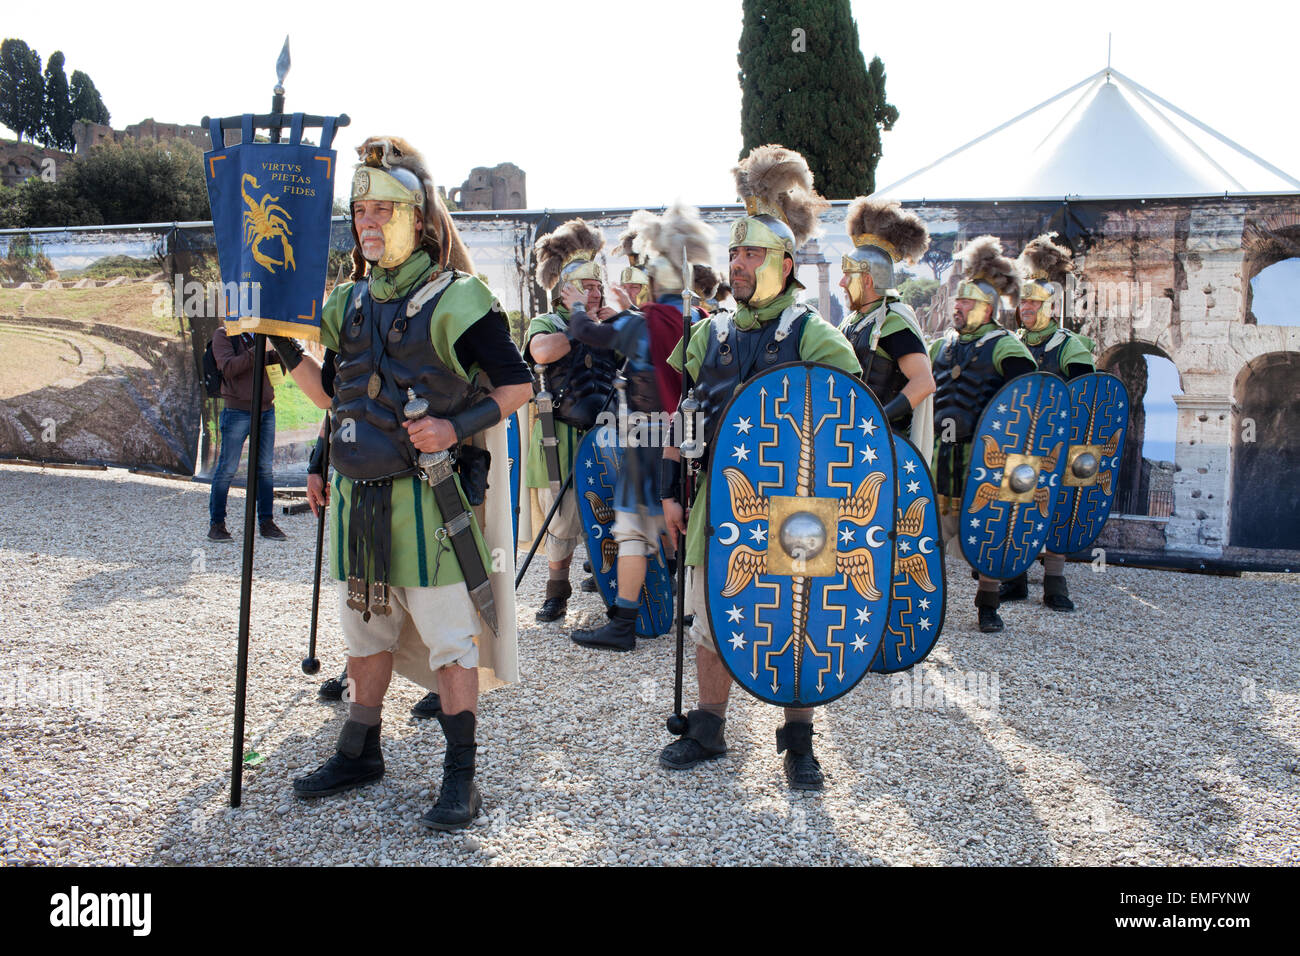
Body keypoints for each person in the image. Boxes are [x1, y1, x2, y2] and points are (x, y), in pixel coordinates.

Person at [279, 136, 532, 831]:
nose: (367, 220)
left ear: (419, 218)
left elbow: (517, 384)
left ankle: (462, 779)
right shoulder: (349, 302)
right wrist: (280, 348)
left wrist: (455, 428)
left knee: (451, 641)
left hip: (428, 503)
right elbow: (337, 394)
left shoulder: (461, 299)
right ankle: (360, 750)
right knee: (364, 633)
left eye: (382, 207)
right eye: (360, 208)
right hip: (359, 499)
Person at [659, 145, 862, 791]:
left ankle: (799, 743)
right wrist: (670, 492)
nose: (738, 265)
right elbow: (684, 417)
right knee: (712, 616)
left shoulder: (816, 336)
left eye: (751, 255)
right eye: (735, 254)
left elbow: (857, 422)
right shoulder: (707, 333)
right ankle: (711, 727)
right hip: (716, 503)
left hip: (792, 510)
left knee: (794, 620)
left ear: (785, 264)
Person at [562, 201, 711, 651]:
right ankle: (686, 612)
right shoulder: (699, 321)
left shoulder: (644, 325)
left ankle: (624, 622)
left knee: (632, 530)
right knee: (677, 524)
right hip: (690, 438)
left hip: (649, 439)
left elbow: (592, 335)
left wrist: (574, 310)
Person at [929, 235, 1037, 633]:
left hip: (984, 457)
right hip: (942, 455)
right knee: (930, 534)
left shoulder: (1006, 348)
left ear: (987, 308)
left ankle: (988, 604)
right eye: (957, 301)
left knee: (988, 530)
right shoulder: (941, 346)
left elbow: (1031, 404)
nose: (957, 308)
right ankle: (928, 603)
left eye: (966, 302)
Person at [526, 219, 620, 620]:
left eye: (598, 286)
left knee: (609, 512)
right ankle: (556, 592)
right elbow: (541, 353)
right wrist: (582, 325)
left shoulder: (608, 325)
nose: (596, 292)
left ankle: (613, 588)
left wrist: (618, 324)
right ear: (566, 292)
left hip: (605, 434)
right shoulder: (549, 323)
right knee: (562, 517)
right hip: (559, 433)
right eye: (588, 286)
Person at [1001, 233, 1095, 611]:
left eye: (1034, 303)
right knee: (1017, 505)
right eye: (1023, 301)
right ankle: (1015, 578)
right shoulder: (1010, 342)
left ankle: (1055, 581)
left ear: (1051, 308)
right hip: (1020, 440)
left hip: (1058, 441)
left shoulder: (1069, 345)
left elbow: (1087, 399)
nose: (1027, 308)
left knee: (1057, 508)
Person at [838, 197, 935, 440]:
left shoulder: (893, 321)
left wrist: (880, 418)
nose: (841, 283)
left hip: (884, 444)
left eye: (848, 276)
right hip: (851, 441)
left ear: (867, 280)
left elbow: (924, 382)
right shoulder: (852, 322)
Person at [207, 326, 287, 541]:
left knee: (265, 469)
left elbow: (279, 372)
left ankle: (266, 522)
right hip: (237, 412)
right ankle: (217, 525)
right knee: (227, 468)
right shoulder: (224, 334)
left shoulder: (264, 333)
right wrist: (259, 349)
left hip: (266, 411)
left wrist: (280, 351)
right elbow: (229, 368)